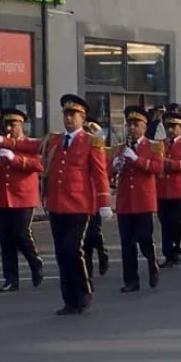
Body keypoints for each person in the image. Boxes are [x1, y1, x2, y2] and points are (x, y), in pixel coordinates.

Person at [0, 94, 112, 316]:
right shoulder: (54, 140)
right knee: (60, 254)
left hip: (79, 204)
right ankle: (69, 300)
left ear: (82, 117)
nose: (68, 118)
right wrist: (1, 141)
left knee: (72, 250)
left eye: (73, 114)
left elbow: (100, 173)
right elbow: (29, 144)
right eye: (66, 114)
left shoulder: (91, 142)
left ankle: (84, 293)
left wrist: (104, 201)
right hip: (57, 205)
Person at [0, 109, 44, 292]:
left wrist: (14, 158)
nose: (9, 128)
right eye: (6, 125)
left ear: (22, 125)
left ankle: (35, 262)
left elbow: (38, 164)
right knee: (6, 239)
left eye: (14, 125)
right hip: (3, 196)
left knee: (21, 233)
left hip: (23, 196)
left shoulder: (31, 143)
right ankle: (11, 278)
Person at [112, 106, 164, 293]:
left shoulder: (153, 146)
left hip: (144, 200)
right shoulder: (121, 147)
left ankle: (152, 263)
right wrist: (116, 166)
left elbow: (157, 168)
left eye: (136, 124)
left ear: (145, 126)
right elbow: (111, 171)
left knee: (144, 238)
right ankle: (131, 280)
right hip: (125, 201)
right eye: (130, 124)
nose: (132, 128)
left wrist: (136, 159)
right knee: (127, 243)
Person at [156, 110, 181, 267]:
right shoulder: (160, 144)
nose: (171, 130)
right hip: (162, 188)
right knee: (164, 222)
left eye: (174, 126)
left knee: (176, 221)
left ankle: (177, 250)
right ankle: (167, 253)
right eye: (168, 126)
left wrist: (169, 164)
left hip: (179, 188)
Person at [82, 117, 111, 277]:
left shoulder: (99, 148)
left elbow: (104, 170)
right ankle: (87, 270)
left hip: (95, 196)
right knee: (83, 238)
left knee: (94, 232)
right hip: (81, 197)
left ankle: (102, 252)